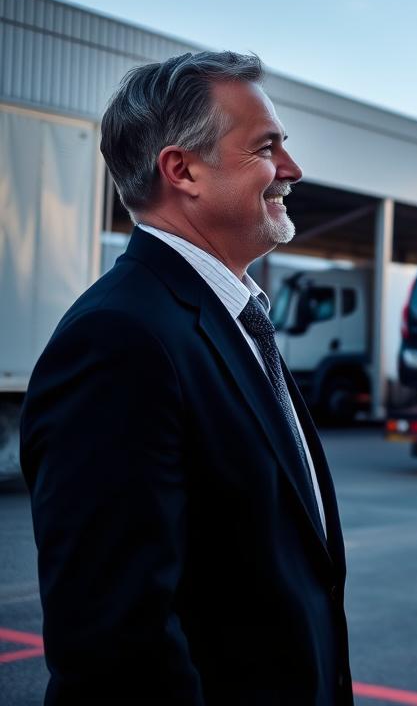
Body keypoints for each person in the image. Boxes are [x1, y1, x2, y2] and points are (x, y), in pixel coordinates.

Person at [20, 52, 352, 705]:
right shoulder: (121, 340)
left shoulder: (227, 317)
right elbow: (113, 648)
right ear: (183, 170)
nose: (292, 169)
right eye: (266, 147)